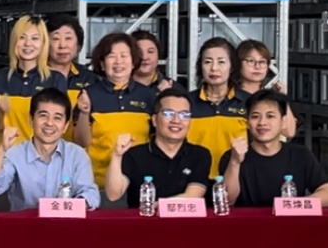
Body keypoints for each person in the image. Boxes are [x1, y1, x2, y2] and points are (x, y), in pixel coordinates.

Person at [0, 88, 99, 211]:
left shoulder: (77, 155)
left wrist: (69, 207)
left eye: (57, 118)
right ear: (31, 120)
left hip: (65, 222)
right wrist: (1, 149)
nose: (49, 123)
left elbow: (90, 193)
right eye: (43, 115)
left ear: (65, 126)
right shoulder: (15, 154)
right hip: (25, 222)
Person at [218, 89, 328, 208]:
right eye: (255, 116)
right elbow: (227, 201)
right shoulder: (232, 156)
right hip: (248, 220)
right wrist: (235, 162)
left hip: (289, 219)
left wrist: (290, 206)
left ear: (283, 122)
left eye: (270, 116)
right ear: (248, 123)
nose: (262, 122)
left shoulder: (300, 155)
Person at [74, 32, 157, 191]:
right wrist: (84, 112)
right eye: (111, 56)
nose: (118, 61)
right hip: (98, 183)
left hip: (141, 183)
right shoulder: (89, 94)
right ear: (102, 64)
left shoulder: (148, 96)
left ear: (133, 62)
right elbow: (81, 142)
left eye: (124, 55)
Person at [104, 85, 211, 207]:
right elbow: (113, 195)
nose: (176, 120)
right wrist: (116, 156)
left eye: (184, 115)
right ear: (154, 120)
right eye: (168, 113)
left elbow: (194, 194)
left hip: (184, 219)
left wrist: (160, 206)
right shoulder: (134, 155)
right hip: (143, 219)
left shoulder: (200, 155)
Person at [0, 15, 67, 142]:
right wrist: (0, 112)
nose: (28, 44)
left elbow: (58, 128)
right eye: (22, 37)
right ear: (14, 41)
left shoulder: (56, 80)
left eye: (35, 38)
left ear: (43, 43)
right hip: (6, 152)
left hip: (41, 153)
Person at [187, 37, 248, 180]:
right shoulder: (187, 102)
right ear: (200, 67)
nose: (214, 68)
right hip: (193, 180)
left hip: (237, 179)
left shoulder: (248, 102)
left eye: (221, 62)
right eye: (208, 62)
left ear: (231, 67)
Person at [45, 14, 96, 142]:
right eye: (55, 38)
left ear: (78, 45)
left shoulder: (88, 79)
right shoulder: (35, 76)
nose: (62, 45)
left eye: (68, 38)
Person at [236, 39, 297, 139]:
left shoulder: (270, 97)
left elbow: (289, 132)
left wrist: (281, 98)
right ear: (238, 64)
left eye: (262, 62)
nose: (257, 66)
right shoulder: (230, 95)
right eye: (251, 61)